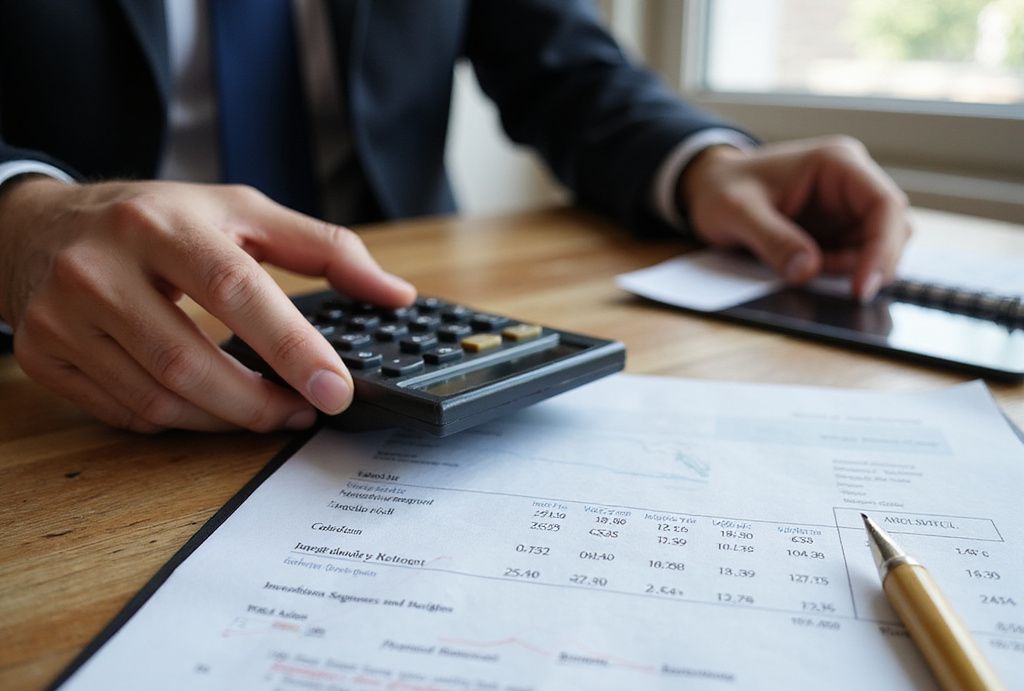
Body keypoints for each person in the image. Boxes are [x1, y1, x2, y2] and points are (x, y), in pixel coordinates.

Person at [0, 0, 910, 435]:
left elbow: (564, 63)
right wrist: (22, 216)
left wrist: (709, 165)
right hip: (75, 348)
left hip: (402, 292)